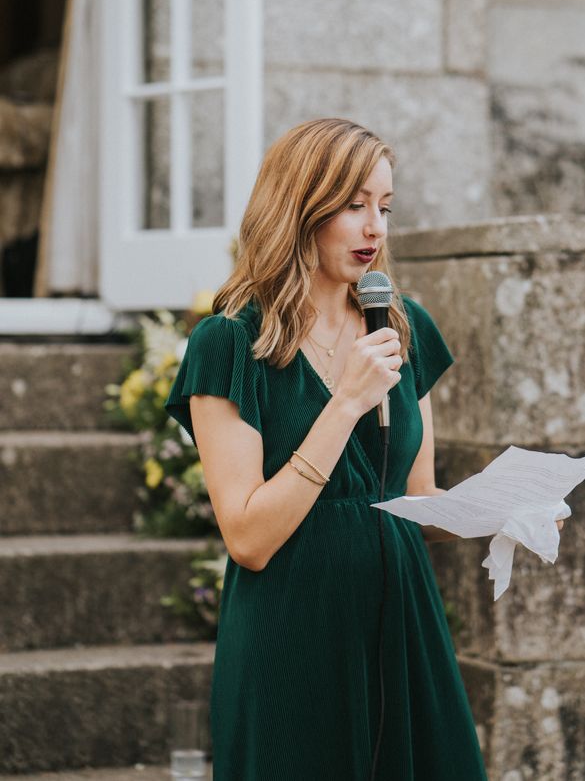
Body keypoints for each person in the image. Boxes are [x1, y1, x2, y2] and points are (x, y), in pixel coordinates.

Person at [165, 117, 546, 779]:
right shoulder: (228, 346)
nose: (376, 227)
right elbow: (249, 537)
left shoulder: (403, 328)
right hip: (292, 641)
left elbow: (414, 500)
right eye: (353, 204)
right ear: (300, 207)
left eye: (385, 206)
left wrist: (502, 511)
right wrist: (344, 404)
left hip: (405, 631)